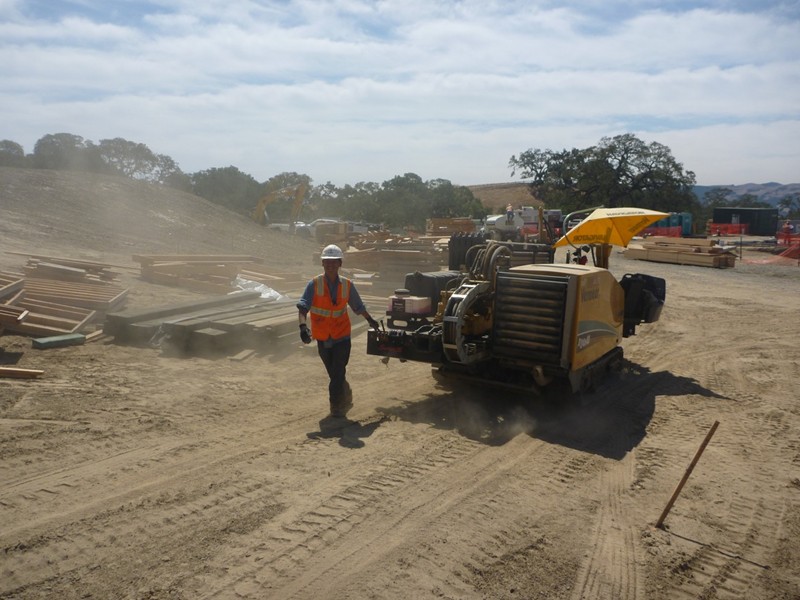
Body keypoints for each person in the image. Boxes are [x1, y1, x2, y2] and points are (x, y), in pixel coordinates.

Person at [297, 244, 380, 419]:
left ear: (340, 264)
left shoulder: (348, 285)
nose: (330, 265)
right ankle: (346, 394)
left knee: (337, 372)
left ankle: (336, 408)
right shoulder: (314, 284)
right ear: (322, 263)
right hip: (322, 337)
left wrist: (370, 320)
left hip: (342, 336)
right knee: (335, 373)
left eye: (334, 262)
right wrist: (303, 327)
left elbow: (358, 306)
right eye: (327, 262)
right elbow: (303, 307)